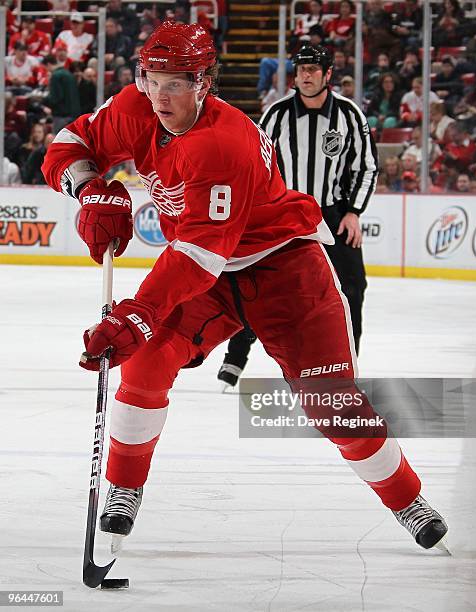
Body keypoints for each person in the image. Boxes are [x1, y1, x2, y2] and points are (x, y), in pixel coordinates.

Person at [42, 21, 448, 555]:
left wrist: (136, 312)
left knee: (331, 405)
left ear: (204, 82)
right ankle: (123, 487)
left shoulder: (222, 144)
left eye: (177, 82)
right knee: (143, 365)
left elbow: (197, 258)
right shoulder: (134, 107)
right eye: (152, 78)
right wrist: (91, 189)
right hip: (208, 272)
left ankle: (406, 498)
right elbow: (69, 143)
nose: (161, 94)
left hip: (284, 269)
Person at [218, 43, 376, 390]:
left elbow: (365, 167)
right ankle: (235, 358)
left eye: (313, 69)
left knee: (352, 289)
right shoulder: (276, 114)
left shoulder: (350, 115)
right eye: (301, 69)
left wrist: (353, 212)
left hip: (332, 215)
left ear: (328, 74)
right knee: (257, 284)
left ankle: (347, 367)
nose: (306, 75)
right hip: (284, 215)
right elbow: (254, 163)